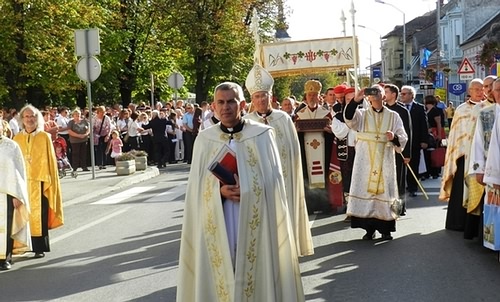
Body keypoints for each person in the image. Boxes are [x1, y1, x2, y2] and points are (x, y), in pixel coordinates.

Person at [177, 82, 304, 302]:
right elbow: (196, 191)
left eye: (231, 101)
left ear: (242, 104)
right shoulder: (205, 140)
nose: (226, 107)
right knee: (224, 264)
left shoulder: (262, 136)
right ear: (214, 107)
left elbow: (274, 184)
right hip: (220, 217)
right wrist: (219, 191)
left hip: (256, 218)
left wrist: (249, 188)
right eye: (221, 102)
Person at [243, 64, 313, 257]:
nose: (260, 100)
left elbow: (293, 150)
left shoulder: (283, 119)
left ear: (270, 97)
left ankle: (289, 247)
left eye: (263, 96)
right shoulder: (246, 123)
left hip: (284, 177)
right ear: (252, 99)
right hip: (260, 179)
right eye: (256, 96)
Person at [344, 85, 408, 240]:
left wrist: (394, 137)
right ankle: (368, 229)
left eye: (378, 91)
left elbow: (403, 136)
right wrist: (355, 100)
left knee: (385, 191)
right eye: (371, 93)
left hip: (385, 158)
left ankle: (385, 229)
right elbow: (348, 119)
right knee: (366, 190)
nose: (375, 95)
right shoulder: (362, 114)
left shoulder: (393, 116)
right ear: (368, 97)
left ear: (383, 96)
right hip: (365, 159)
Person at [13, 104, 64, 258]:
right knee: (22, 214)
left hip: (40, 181)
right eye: (27, 116)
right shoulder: (17, 139)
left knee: (39, 215)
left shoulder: (44, 137)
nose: (30, 119)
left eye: (32, 116)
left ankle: (39, 247)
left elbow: (50, 161)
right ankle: (22, 244)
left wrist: (48, 180)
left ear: (37, 118)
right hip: (22, 182)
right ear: (22, 119)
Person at [440, 78, 485, 232]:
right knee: (461, 188)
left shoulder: (488, 107)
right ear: (470, 91)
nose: (480, 92)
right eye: (476, 89)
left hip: (482, 157)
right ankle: (458, 223)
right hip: (463, 155)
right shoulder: (461, 109)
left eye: (482, 89)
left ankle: (476, 226)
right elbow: (456, 135)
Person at [295, 80, 342, 214]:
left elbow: (333, 132)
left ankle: (325, 203)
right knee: (307, 174)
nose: (312, 98)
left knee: (324, 173)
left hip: (323, 150)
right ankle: (310, 205)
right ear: (306, 96)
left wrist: (330, 132)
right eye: (309, 95)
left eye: (314, 95)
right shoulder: (300, 114)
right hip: (306, 150)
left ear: (319, 96)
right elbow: (294, 134)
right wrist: (296, 132)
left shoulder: (326, 113)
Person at [466, 77, 500, 241]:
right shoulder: (486, 114)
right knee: (494, 208)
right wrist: (478, 169)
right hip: (492, 169)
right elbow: (477, 143)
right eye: (497, 90)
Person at [0, 122, 31, 270]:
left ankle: (5, 258)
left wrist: (18, 195)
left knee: (6, 227)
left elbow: (19, 171)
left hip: (8, 193)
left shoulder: (11, 146)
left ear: (3, 127)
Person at [384, 84, 412, 214]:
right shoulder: (381, 110)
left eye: (386, 92)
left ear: (393, 95)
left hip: (398, 149)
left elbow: (407, 133)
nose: (384, 94)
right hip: (384, 150)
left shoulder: (402, 110)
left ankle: (400, 207)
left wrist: (407, 153)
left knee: (399, 178)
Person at [400, 86, 429, 197]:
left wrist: (424, 140)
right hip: (402, 141)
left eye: (404, 94)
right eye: (401, 94)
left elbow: (424, 125)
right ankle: (402, 186)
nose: (402, 96)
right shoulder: (399, 108)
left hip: (415, 141)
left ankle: (413, 187)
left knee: (414, 164)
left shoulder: (419, 108)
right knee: (401, 166)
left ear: (411, 95)